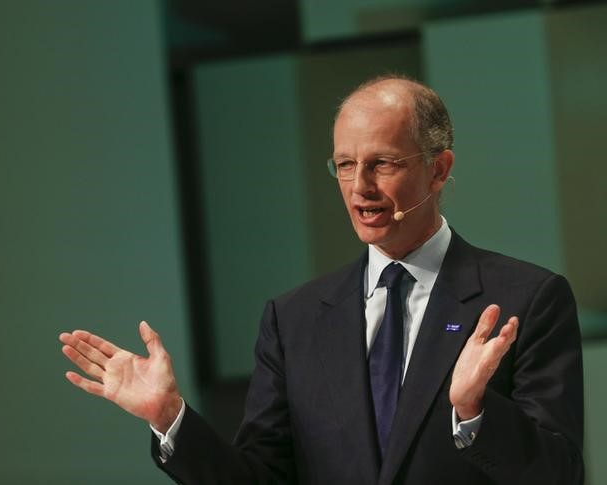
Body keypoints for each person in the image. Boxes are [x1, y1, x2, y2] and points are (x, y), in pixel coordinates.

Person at [59, 76, 583, 484]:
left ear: (439, 169)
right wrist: (172, 418)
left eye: (383, 163)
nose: (361, 187)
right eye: (345, 165)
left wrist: (475, 412)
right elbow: (261, 479)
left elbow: (559, 474)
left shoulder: (526, 299)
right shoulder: (294, 320)